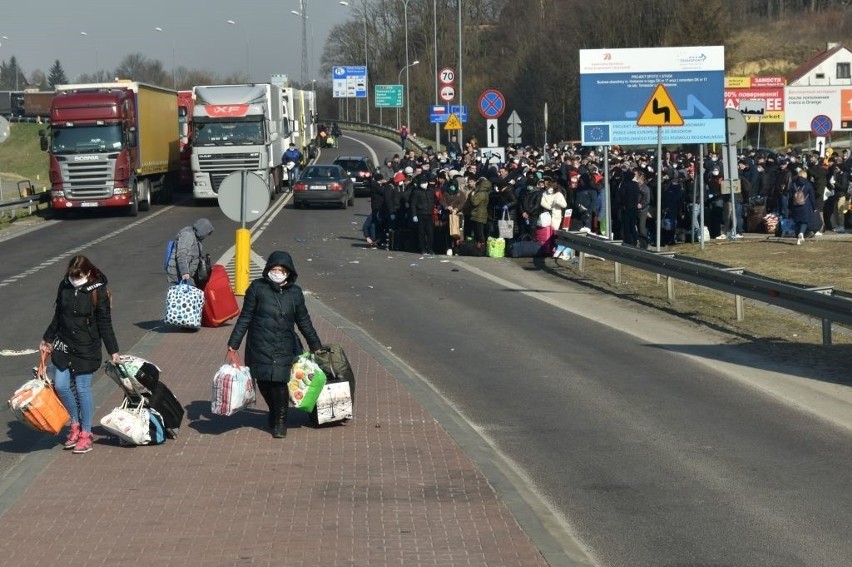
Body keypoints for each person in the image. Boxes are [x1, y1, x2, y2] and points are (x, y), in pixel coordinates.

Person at [227, 251, 323, 438]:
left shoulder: (295, 293)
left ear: (289, 272)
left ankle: (280, 421)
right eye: (274, 269)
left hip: (283, 344)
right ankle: (274, 411)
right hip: (259, 343)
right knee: (264, 382)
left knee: (279, 383)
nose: (277, 272)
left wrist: (315, 344)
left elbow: (304, 321)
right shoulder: (257, 288)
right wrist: (234, 343)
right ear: (268, 269)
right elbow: (245, 317)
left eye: (281, 269)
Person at [40, 255, 121, 454]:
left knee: (83, 388)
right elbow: (58, 314)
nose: (75, 280)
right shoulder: (65, 286)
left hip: (86, 347)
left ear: (88, 272)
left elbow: (104, 322)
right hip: (64, 345)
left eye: (79, 276)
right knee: (60, 385)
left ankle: (86, 433)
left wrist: (113, 350)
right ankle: (74, 425)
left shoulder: (97, 290)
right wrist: (47, 339)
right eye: (72, 276)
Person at [167, 218, 214, 286]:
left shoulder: (196, 238)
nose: (205, 236)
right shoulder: (187, 235)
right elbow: (181, 254)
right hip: (180, 276)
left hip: (188, 275)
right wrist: (185, 273)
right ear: (203, 230)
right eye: (206, 234)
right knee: (185, 295)